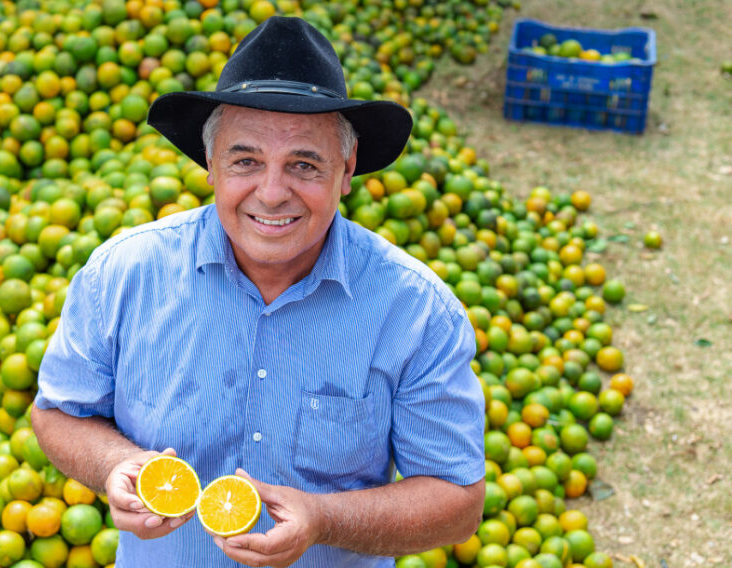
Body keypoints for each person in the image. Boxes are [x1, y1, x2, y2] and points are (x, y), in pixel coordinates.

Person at [32, 16, 485, 568]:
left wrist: (325, 520)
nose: (272, 193)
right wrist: (114, 465)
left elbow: (458, 501)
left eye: (305, 164)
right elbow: (58, 412)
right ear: (211, 165)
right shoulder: (123, 273)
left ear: (347, 170)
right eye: (245, 161)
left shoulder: (415, 311)